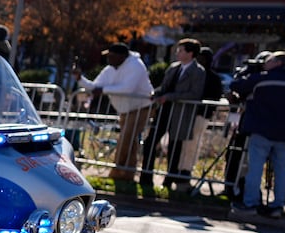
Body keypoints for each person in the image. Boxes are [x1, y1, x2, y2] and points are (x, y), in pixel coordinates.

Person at [228, 51, 285, 223]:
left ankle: (250, 203)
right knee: (282, 168)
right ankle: (278, 205)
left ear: (278, 62)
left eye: (268, 60)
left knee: (255, 167)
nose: (265, 63)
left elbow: (235, 85)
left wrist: (247, 70)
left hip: (261, 129)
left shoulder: (262, 78)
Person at [78, 42, 152, 191]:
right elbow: (95, 86)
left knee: (126, 138)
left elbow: (127, 88)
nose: (109, 59)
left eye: (112, 56)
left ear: (122, 56)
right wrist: (80, 79)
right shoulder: (109, 69)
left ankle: (117, 172)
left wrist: (103, 90)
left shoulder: (136, 66)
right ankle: (128, 174)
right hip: (125, 110)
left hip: (140, 108)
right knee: (130, 142)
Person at [140, 38, 207, 195]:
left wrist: (170, 96)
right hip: (164, 111)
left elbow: (195, 94)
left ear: (190, 53)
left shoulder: (198, 71)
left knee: (174, 147)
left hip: (181, 113)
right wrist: (155, 93)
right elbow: (164, 87)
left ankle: (169, 180)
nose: (178, 53)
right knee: (150, 142)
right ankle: (146, 176)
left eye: (181, 50)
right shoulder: (173, 68)